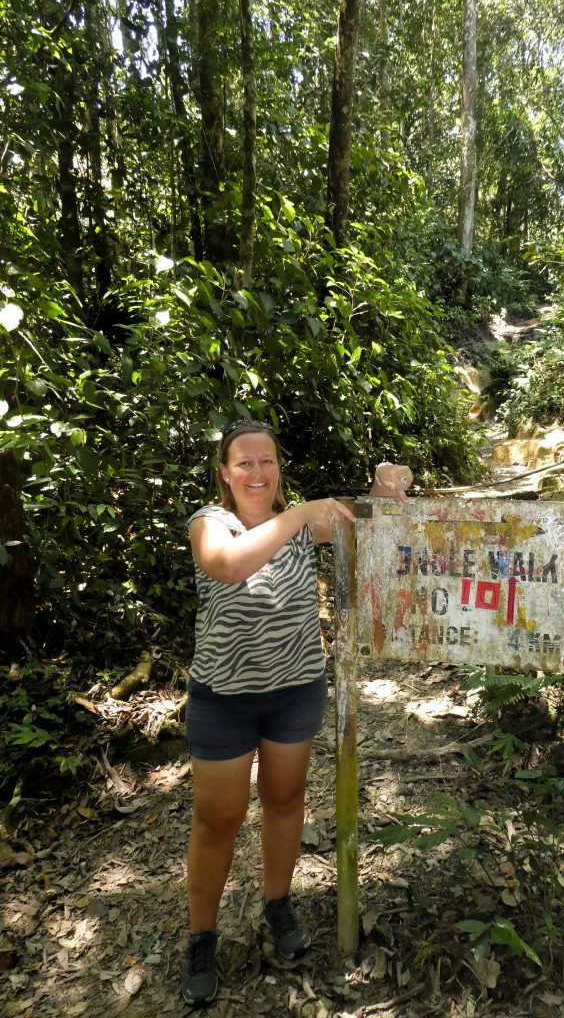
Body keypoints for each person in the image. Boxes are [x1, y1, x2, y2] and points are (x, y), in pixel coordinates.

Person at [181, 418, 413, 1007]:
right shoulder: (212, 524)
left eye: (268, 461)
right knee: (219, 818)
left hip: (294, 689)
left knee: (285, 799)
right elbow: (229, 564)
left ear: (278, 468)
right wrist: (300, 515)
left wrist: (388, 489)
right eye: (245, 462)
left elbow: (380, 526)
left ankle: (278, 904)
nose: (258, 472)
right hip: (223, 698)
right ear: (225, 473)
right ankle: (200, 937)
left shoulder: (304, 522)